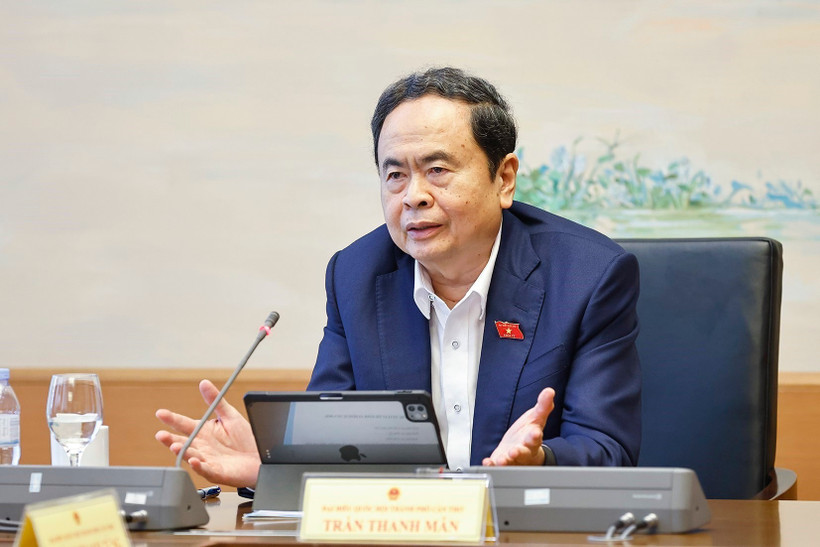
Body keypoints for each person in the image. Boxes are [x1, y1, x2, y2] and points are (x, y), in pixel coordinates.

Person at [156, 67, 641, 488]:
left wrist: (541, 460)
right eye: (395, 176)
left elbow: (608, 447)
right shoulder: (356, 276)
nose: (413, 196)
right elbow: (336, 438)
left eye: (437, 169)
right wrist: (275, 465)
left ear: (504, 178)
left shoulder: (587, 277)